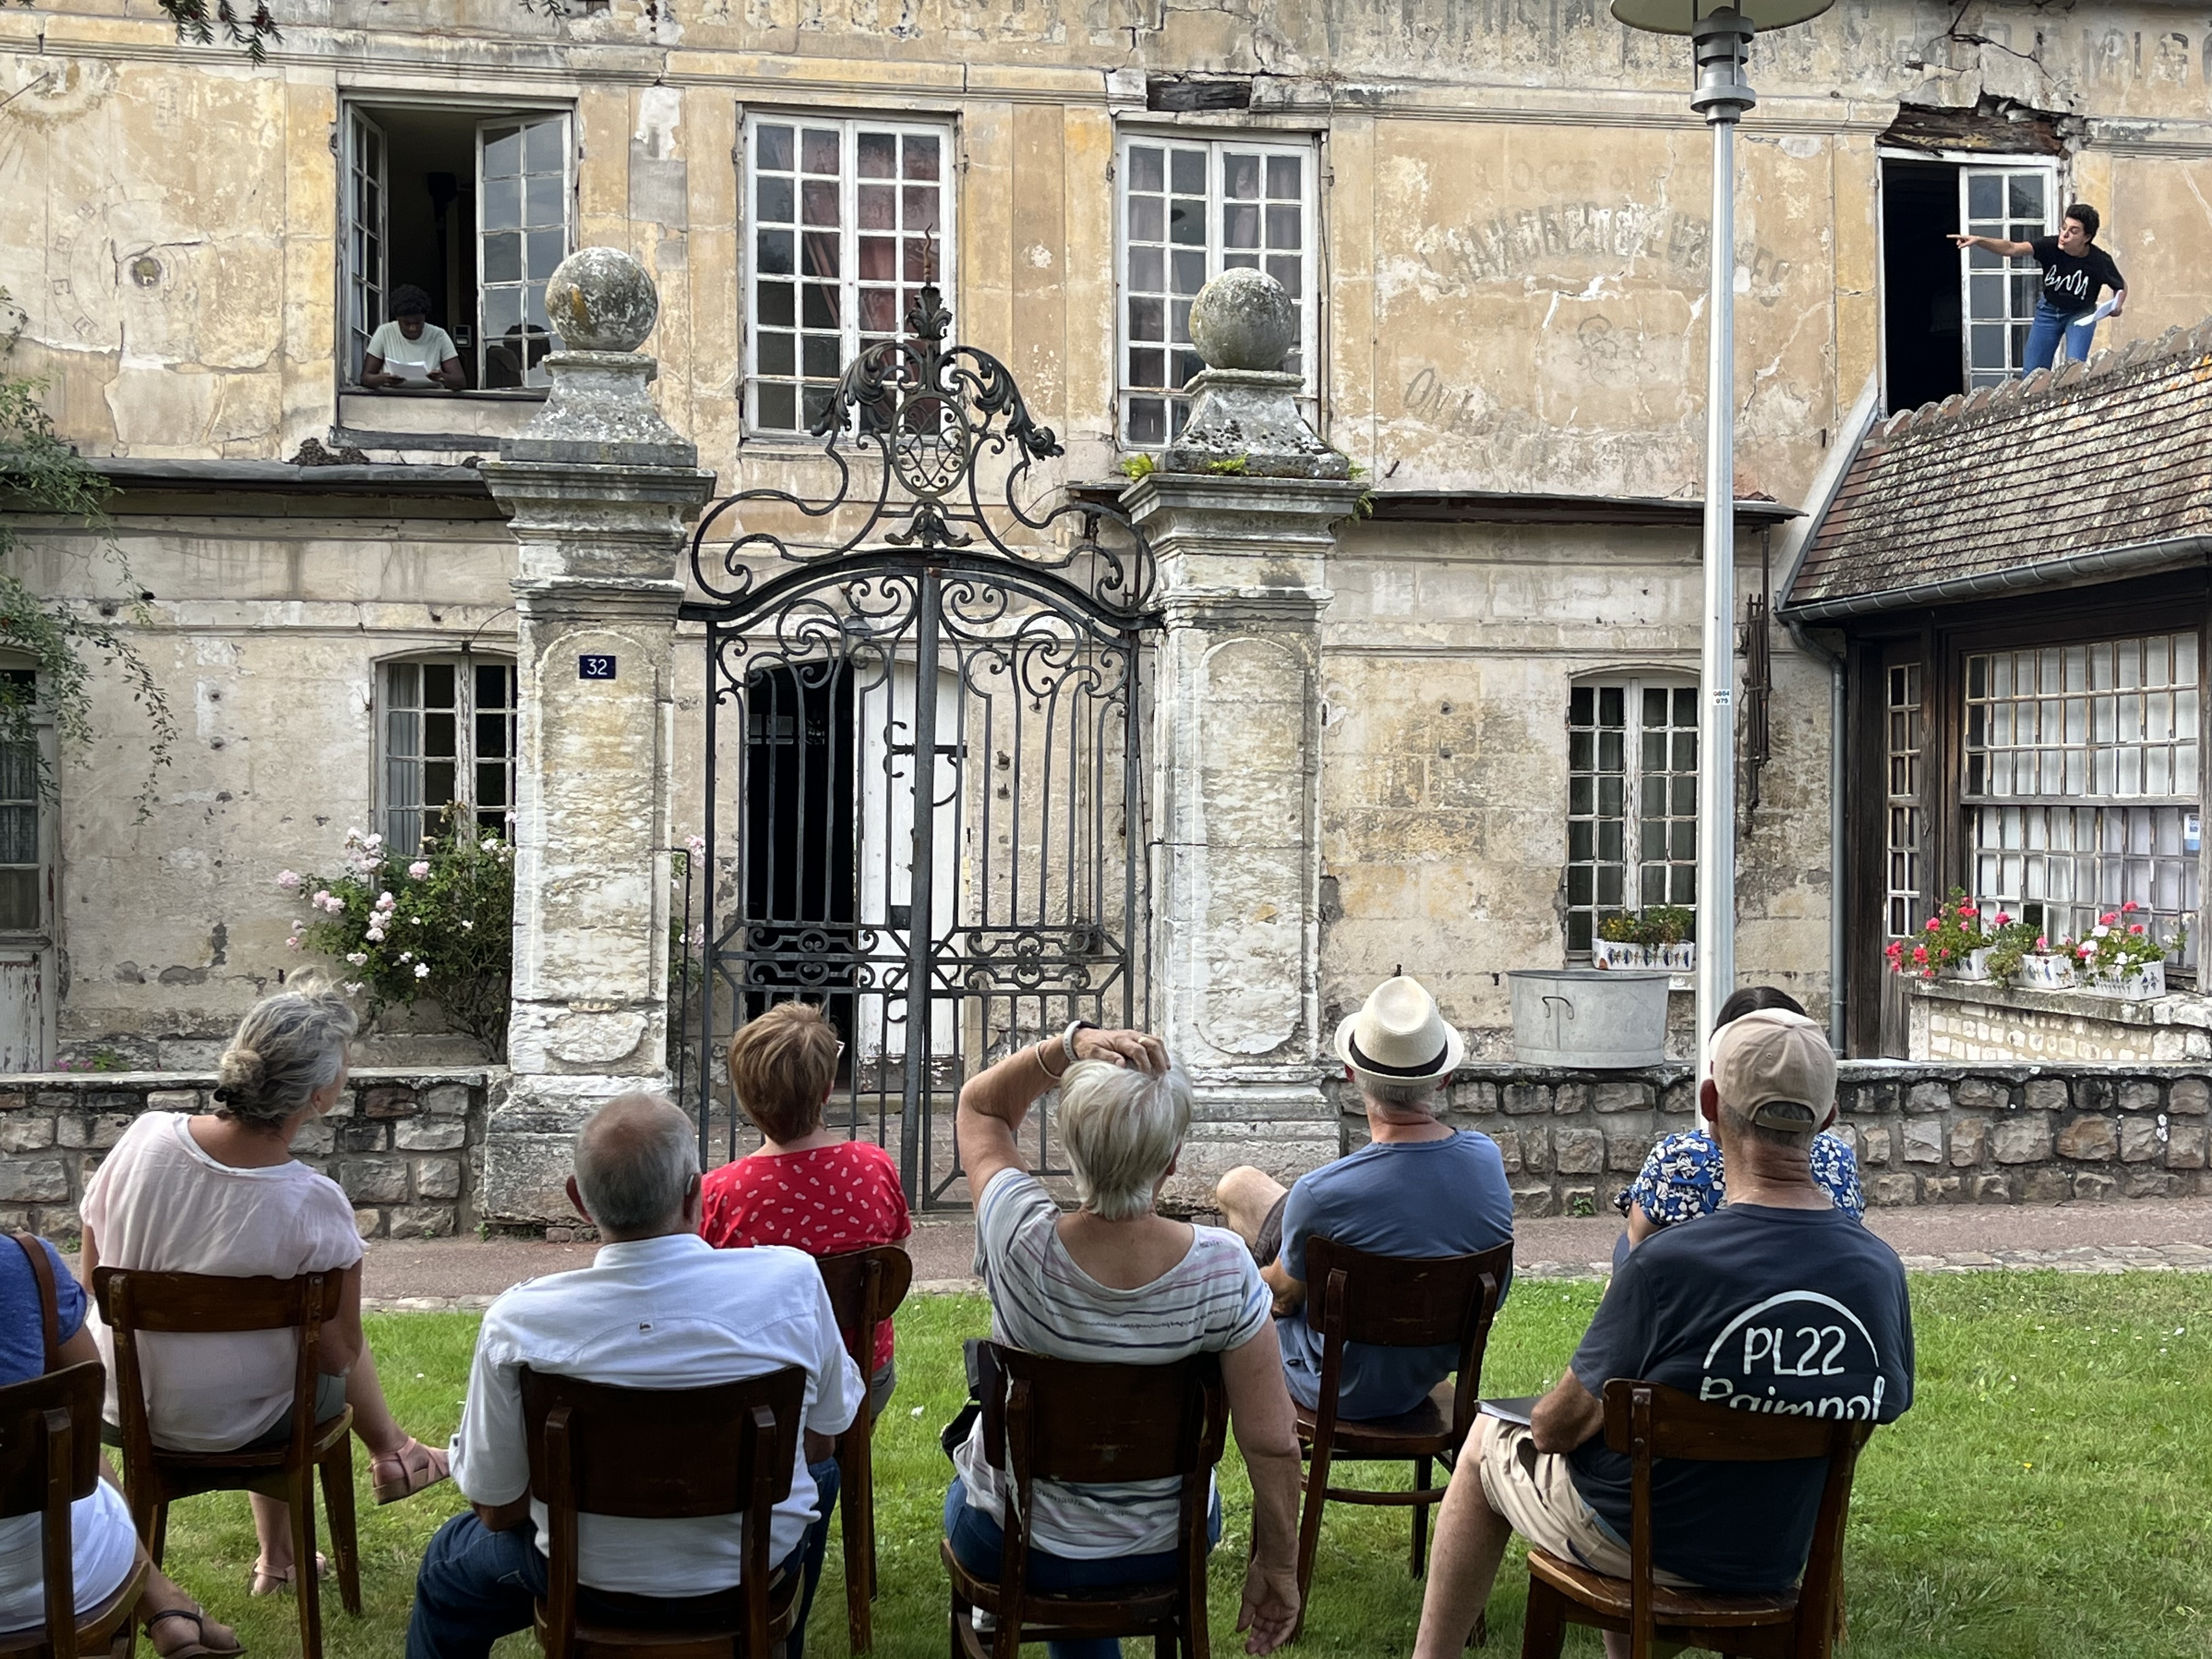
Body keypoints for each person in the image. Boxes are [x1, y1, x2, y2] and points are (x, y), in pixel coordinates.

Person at [1409, 1008, 1916, 1659]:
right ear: (1828, 1117)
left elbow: (1557, 1431)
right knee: (1637, 1471)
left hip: (1643, 1546)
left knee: (1486, 1441)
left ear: (1709, 1102)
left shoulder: (1668, 1264)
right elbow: (1870, 1413)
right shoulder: (1879, 1271)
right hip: (1776, 1554)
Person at [408, 1092, 861, 1659]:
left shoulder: (519, 1323)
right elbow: (822, 1444)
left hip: (588, 1585)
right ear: (697, 1193)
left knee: (449, 1569)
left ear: (579, 1201)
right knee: (818, 1481)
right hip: (746, 1576)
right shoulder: (792, 1284)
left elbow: (497, 1509)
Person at [79, 979, 450, 1598]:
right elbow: (336, 1356)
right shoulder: (313, 1202)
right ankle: (395, 1456)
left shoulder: (142, 1139)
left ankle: (281, 1558)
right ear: (320, 1094)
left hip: (126, 1405)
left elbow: (95, 1278)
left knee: (285, 1352)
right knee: (315, 1347)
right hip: (245, 1420)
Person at [947, 1024, 1304, 1658]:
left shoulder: (1017, 1238)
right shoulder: (1225, 1269)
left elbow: (981, 1107)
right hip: (1167, 1542)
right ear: (1172, 1160)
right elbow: (1273, 1443)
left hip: (1017, 1540)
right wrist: (1278, 1565)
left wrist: (1067, 1046)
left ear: (1071, 1146)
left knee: (988, 1488)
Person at [1215, 975, 1514, 1421]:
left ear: (1351, 1074)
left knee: (1228, 1311)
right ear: (1445, 1079)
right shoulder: (1487, 1161)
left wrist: (1240, 1274)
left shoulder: (1322, 1193)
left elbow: (1283, 1299)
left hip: (1333, 1383)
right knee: (1241, 1188)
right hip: (1420, 1377)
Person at [0, 1232, 242, 1657]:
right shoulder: (23, 1262)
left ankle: (168, 1608)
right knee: (75, 1441)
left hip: (35, 1576)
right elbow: (84, 1392)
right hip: (44, 1582)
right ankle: (168, 1607)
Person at [701, 1000, 911, 1421]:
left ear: (745, 1097)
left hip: (760, 1380)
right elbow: (896, 1252)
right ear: (828, 1088)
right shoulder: (873, 1168)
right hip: (863, 1369)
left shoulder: (719, 1194)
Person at [1612, 986, 1863, 1266]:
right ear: (1827, 1117)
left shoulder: (1677, 1159)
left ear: (1710, 1101)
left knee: (1629, 1249)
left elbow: (1638, 1239)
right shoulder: (1840, 1160)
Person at [1951, 202, 2126, 371]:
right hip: (2048, 311)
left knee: (2074, 367)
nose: (2064, 235)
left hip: (2080, 314)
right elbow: (2012, 248)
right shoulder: (2049, 246)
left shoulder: (2099, 261)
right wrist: (1979, 240)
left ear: (2087, 237)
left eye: (2073, 232)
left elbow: (2120, 285)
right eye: (2063, 228)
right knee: (2033, 372)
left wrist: (2117, 304)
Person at [360, 284, 464, 390]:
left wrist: (441, 378)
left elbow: (460, 382)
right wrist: (385, 379)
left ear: (424, 318)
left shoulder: (439, 336)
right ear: (398, 319)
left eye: (418, 323)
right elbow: (366, 378)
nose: (413, 328)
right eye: (407, 323)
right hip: (393, 398)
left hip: (432, 399)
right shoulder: (385, 332)